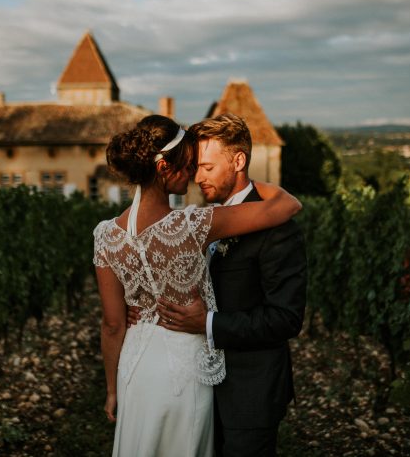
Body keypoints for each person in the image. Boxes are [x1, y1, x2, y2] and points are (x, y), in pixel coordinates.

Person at [93, 114, 301, 456]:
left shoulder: (106, 235)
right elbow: (288, 204)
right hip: (184, 367)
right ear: (163, 168)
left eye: (203, 166)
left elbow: (112, 324)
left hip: (140, 366)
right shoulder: (193, 223)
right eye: (190, 166)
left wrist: (112, 388)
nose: (194, 176)